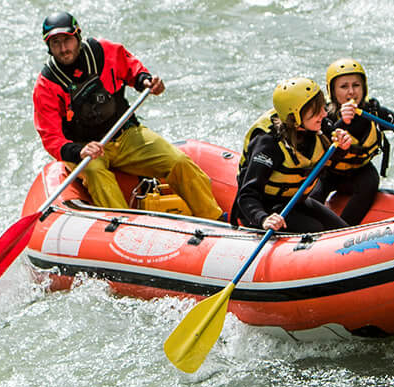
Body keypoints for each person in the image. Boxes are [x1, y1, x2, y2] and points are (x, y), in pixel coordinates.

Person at [30, 12, 223, 219]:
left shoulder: (102, 51)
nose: (63, 49)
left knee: (178, 162)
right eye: (56, 43)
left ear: (78, 36)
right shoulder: (46, 84)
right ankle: (127, 226)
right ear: (48, 47)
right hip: (85, 149)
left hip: (125, 135)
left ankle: (214, 216)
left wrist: (145, 81)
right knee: (95, 173)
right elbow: (51, 137)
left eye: (67, 40)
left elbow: (132, 68)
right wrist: (79, 150)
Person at [319, 58, 394, 225]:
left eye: (356, 85)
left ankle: (342, 229)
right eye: (344, 87)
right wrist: (343, 122)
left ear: (363, 88)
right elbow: (323, 144)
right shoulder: (324, 116)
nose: (351, 92)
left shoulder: (373, 111)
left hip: (358, 172)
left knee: (370, 181)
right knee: (312, 195)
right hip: (327, 174)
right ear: (333, 91)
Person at [234, 76, 355, 233]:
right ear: (295, 118)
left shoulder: (320, 126)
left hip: (294, 201)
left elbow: (334, 157)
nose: (324, 114)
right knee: (314, 229)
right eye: (316, 111)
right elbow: (247, 194)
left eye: (323, 107)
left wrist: (343, 146)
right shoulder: (268, 144)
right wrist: (263, 218)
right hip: (265, 209)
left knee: (343, 231)